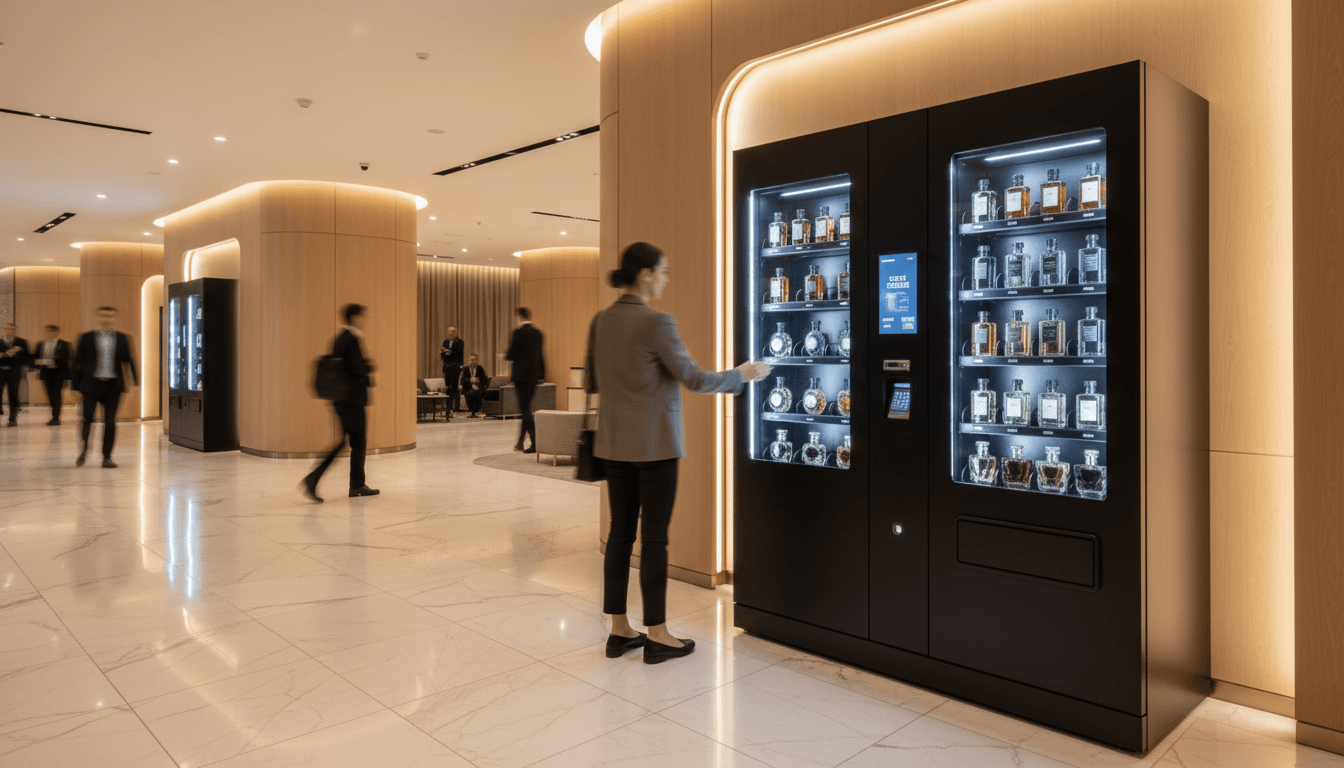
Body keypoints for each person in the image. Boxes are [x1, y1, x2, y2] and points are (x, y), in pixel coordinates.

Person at [586, 242, 770, 663]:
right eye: (664, 271)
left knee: (619, 534)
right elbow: (693, 379)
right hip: (655, 446)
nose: (667, 278)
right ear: (646, 274)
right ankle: (658, 634)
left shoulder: (601, 321)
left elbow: (596, 380)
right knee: (654, 539)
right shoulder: (657, 322)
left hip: (613, 444)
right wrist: (740, 375)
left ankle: (618, 631)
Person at [301, 304, 379, 501]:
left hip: (342, 400)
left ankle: (354, 485)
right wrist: (369, 366)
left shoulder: (340, 339)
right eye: (362, 316)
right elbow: (356, 369)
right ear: (354, 317)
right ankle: (320, 480)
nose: (364, 320)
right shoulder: (352, 338)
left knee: (351, 442)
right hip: (352, 400)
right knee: (357, 442)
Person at [72, 307, 137, 467]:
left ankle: (107, 457)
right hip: (91, 385)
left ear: (115, 318)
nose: (106, 318)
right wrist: (74, 387)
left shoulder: (123, 338)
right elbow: (76, 363)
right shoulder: (86, 337)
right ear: (97, 317)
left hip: (113, 386)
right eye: (103, 315)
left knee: (110, 422)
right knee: (87, 420)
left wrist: (135, 383)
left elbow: (130, 360)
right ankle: (84, 450)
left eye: (109, 316)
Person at [505, 307, 544, 453]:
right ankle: (521, 442)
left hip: (520, 376)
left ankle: (534, 443)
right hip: (534, 376)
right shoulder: (538, 333)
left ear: (519, 316)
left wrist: (504, 355)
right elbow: (540, 355)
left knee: (525, 409)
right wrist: (541, 375)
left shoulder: (518, 332)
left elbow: (511, 354)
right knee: (526, 408)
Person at [33, 325, 71, 425]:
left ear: (56, 332)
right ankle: (54, 414)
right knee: (50, 395)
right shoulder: (41, 344)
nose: (47, 333)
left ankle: (56, 417)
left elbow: (67, 359)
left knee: (57, 395)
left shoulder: (64, 344)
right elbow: (34, 357)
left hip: (59, 373)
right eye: (46, 331)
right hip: (46, 373)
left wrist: (52, 361)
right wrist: (37, 364)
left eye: (49, 331)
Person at [0, 323, 29, 426]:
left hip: (14, 372)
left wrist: (24, 368)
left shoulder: (21, 342)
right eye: (8, 329)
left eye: (12, 329)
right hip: (0, 371)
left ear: (15, 330)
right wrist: (5, 354)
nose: (9, 331)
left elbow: (26, 357)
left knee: (13, 395)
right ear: (4, 330)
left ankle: (12, 419)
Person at [439, 326, 464, 419]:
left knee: (454, 388)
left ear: (455, 333)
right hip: (447, 368)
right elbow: (442, 355)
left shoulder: (460, 342)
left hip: (455, 368)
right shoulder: (445, 342)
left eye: (452, 332)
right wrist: (445, 352)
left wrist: (448, 352)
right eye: (449, 331)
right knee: (448, 388)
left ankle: (453, 408)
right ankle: (448, 409)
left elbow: (458, 354)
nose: (450, 333)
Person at [459, 353, 489, 417]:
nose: (473, 362)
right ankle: (473, 412)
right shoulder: (465, 369)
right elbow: (462, 381)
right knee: (469, 393)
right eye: (471, 360)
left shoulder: (480, 368)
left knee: (477, 392)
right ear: (468, 361)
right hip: (468, 388)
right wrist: (470, 381)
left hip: (479, 388)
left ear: (477, 361)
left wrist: (478, 381)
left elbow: (485, 380)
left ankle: (475, 411)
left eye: (475, 360)